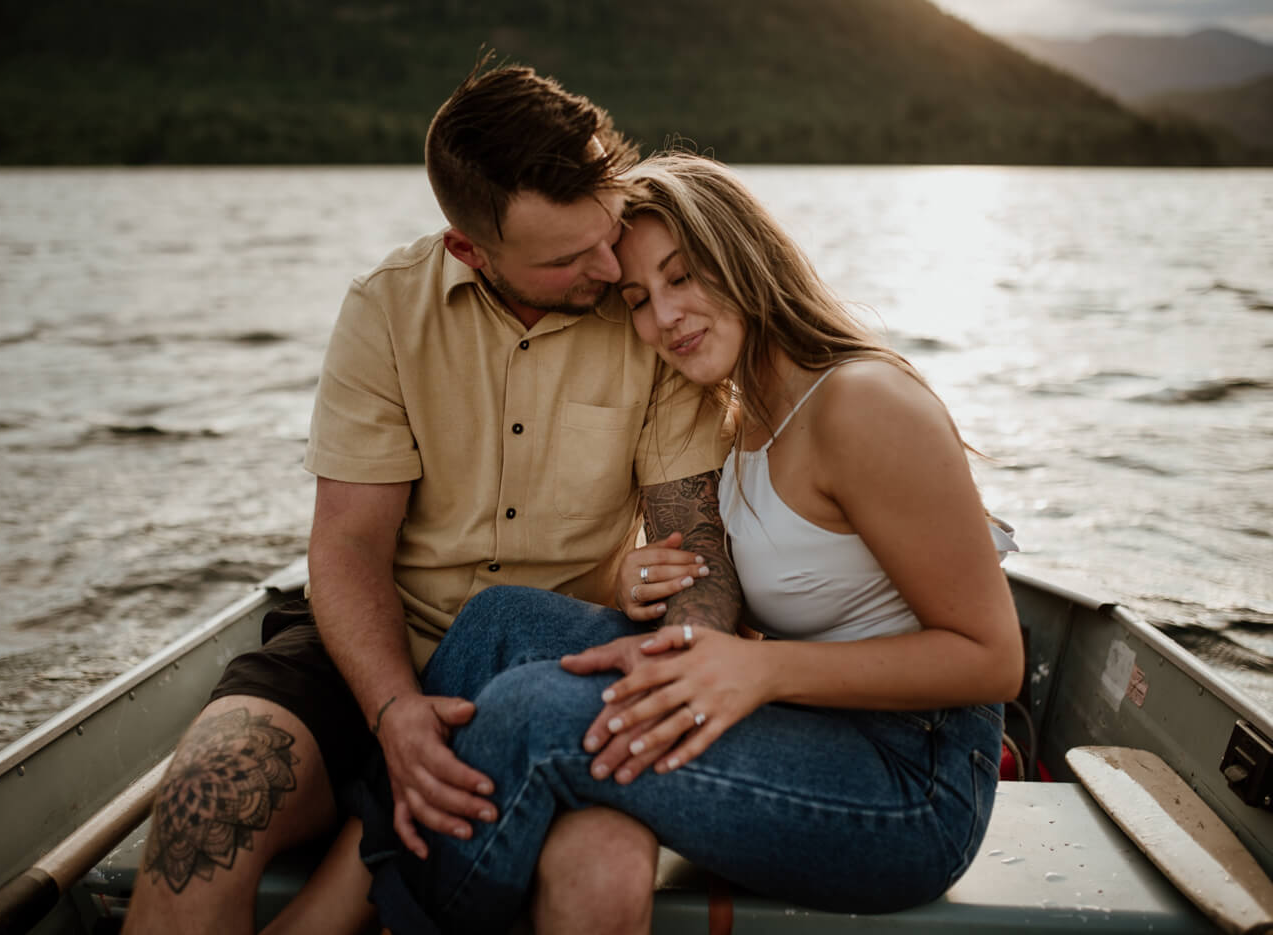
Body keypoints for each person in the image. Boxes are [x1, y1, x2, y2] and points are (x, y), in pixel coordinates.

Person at [121, 65, 742, 935]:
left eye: (605, 232)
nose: (609, 266)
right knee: (203, 794)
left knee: (604, 876)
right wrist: (394, 711)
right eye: (567, 258)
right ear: (470, 250)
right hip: (369, 654)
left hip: (556, 672)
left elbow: (693, 550)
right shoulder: (387, 310)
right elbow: (347, 548)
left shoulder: (648, 305)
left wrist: (683, 669)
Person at [395, 152, 1026, 934]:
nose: (663, 318)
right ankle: (379, 843)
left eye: (684, 275)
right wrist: (662, 614)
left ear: (743, 253)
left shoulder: (863, 406)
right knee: (500, 625)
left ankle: (396, 911)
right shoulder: (743, 413)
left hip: (913, 785)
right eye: (637, 298)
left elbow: (993, 660)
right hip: (820, 718)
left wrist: (759, 668)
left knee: (533, 715)